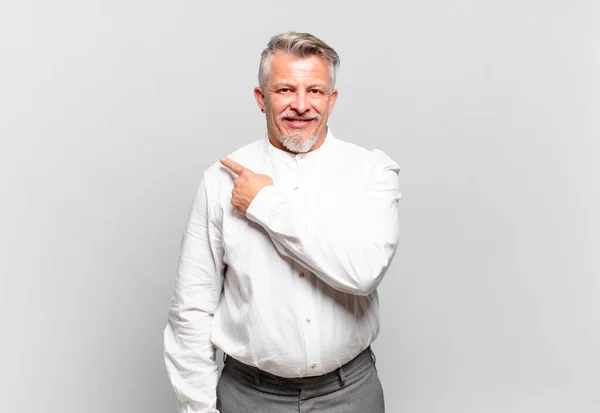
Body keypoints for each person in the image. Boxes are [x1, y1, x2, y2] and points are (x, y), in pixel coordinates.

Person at [164, 31, 401, 413]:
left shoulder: (371, 171)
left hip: (349, 395)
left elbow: (364, 271)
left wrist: (264, 204)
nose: (301, 106)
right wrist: (198, 408)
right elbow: (191, 310)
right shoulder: (218, 181)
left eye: (316, 91)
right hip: (249, 396)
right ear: (261, 99)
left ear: (332, 100)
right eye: (285, 90)